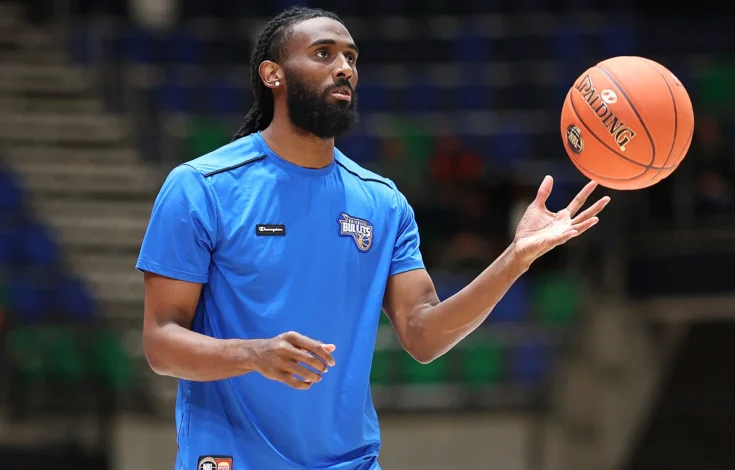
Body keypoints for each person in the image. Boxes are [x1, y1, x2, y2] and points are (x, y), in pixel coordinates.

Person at [137, 6, 610, 470]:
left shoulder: (382, 203)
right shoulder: (202, 187)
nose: (344, 67)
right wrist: (254, 354)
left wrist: (515, 259)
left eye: (351, 57)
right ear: (273, 74)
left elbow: (424, 335)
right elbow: (161, 344)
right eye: (323, 53)